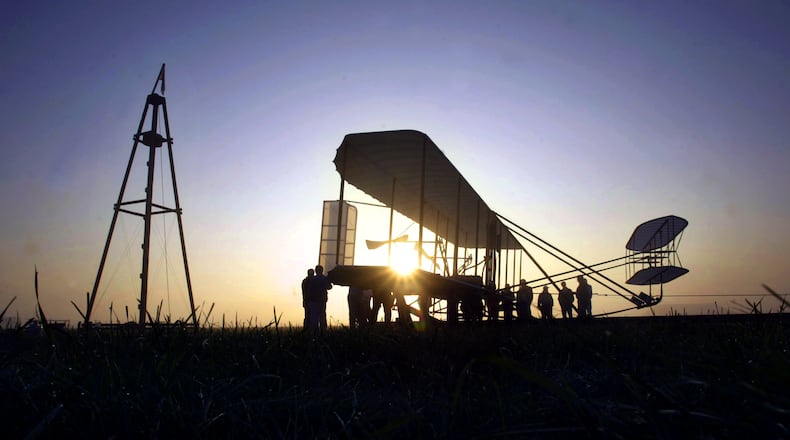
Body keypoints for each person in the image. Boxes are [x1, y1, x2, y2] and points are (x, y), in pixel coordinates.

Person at [307, 264, 332, 329]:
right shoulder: (324, 278)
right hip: (322, 300)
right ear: (322, 270)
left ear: (316, 271)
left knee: (314, 317)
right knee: (322, 315)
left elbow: (309, 290)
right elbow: (329, 287)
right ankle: (323, 330)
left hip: (314, 300)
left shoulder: (313, 279)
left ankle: (315, 331)